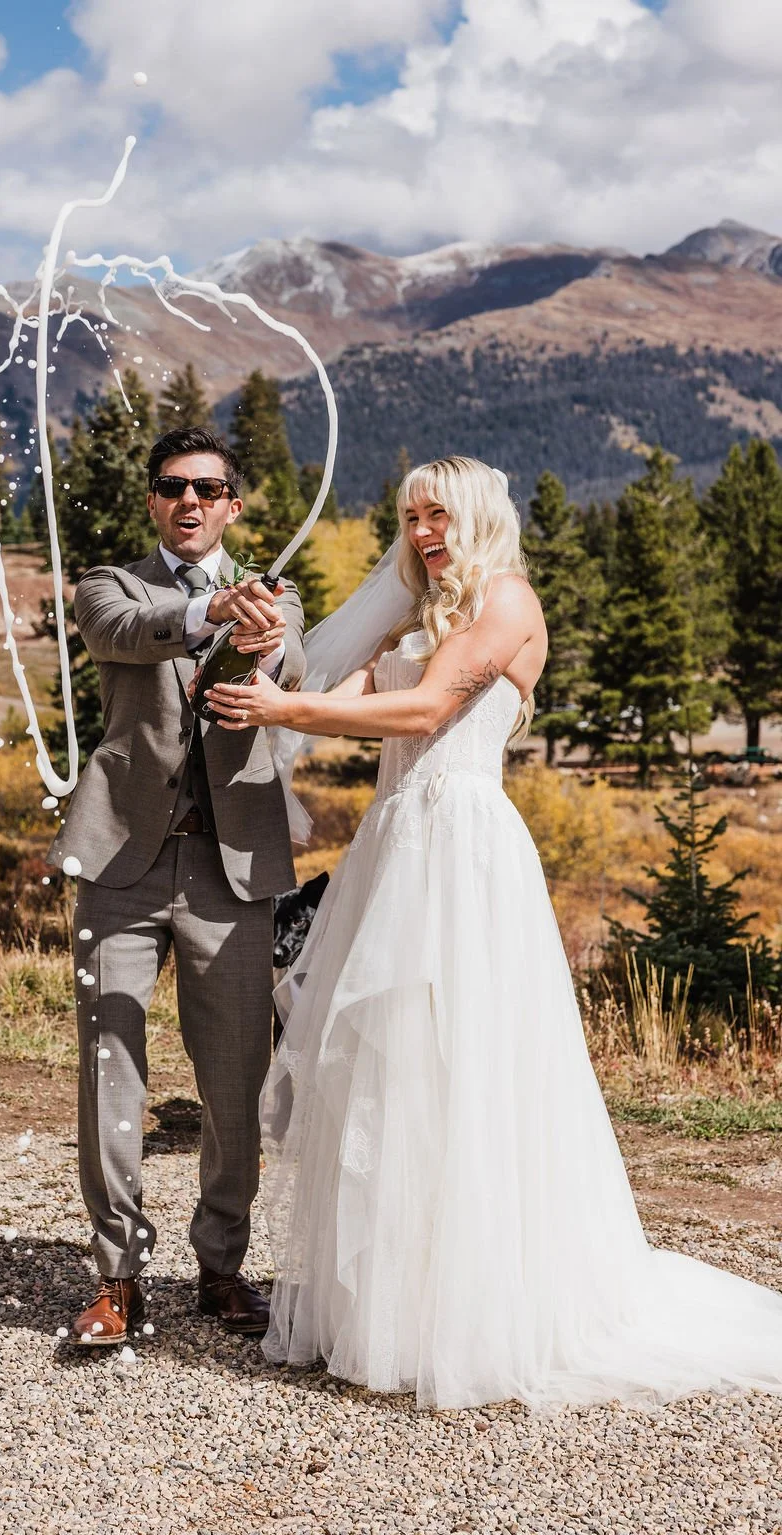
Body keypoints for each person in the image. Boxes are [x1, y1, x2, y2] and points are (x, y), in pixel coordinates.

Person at [205, 454, 782, 1410]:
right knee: (388, 1065)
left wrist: (284, 708)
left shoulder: (507, 600)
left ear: (475, 515)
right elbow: (351, 687)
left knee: (459, 1061)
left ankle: (475, 1312)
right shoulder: (415, 608)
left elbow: (429, 707)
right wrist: (268, 665)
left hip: (461, 845)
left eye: (437, 514)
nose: (421, 532)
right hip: (395, 841)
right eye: (410, 517)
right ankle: (389, 1307)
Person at [48, 425, 305, 1347]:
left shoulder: (279, 595)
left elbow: (293, 667)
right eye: (171, 486)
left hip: (232, 871)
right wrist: (208, 612)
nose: (188, 500)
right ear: (153, 501)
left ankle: (221, 1267)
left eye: (206, 487)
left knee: (236, 1081)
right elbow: (123, 635)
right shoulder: (109, 585)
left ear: (233, 503)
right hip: (120, 862)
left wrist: (263, 640)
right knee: (109, 1066)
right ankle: (117, 1277)